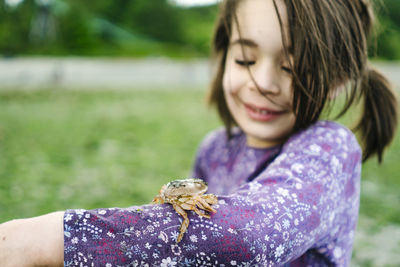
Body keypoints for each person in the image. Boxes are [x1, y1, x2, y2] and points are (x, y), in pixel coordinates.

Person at [0, 0, 398, 266]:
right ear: (224, 53)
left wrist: (49, 236)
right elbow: (187, 241)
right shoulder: (215, 149)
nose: (262, 82)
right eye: (245, 58)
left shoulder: (329, 149)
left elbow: (248, 237)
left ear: (338, 79)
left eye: (291, 67)